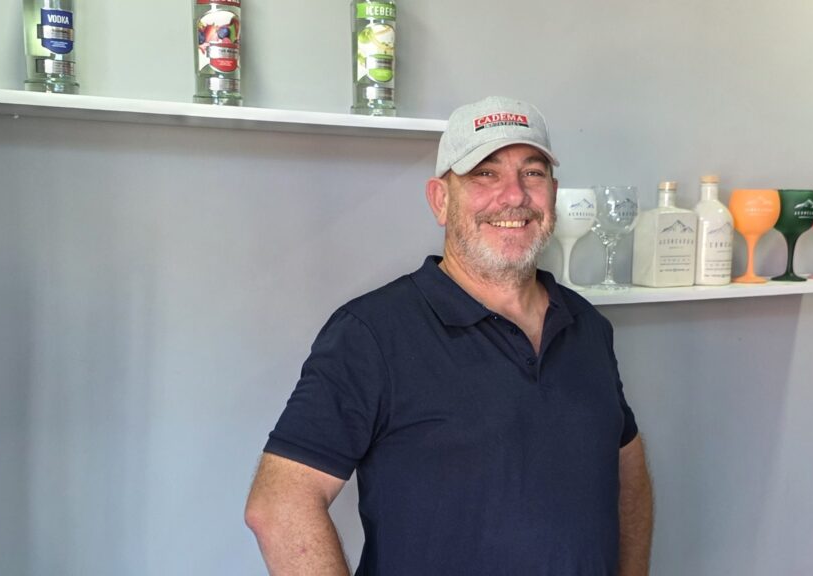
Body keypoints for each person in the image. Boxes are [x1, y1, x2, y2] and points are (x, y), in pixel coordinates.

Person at [245, 96, 653, 576]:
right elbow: (280, 504)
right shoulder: (372, 333)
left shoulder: (587, 325)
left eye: (533, 172)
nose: (514, 195)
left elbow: (629, 469)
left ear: (553, 194)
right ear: (441, 199)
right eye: (485, 173)